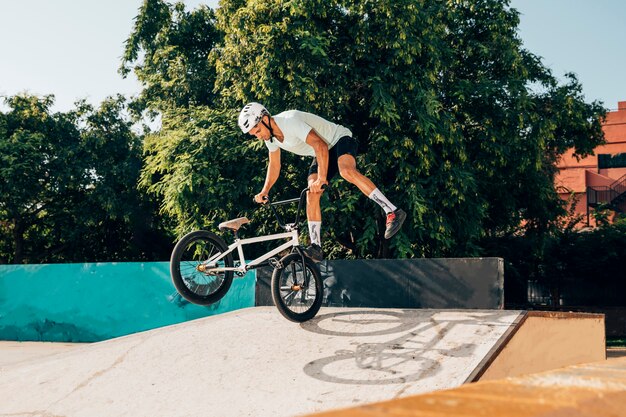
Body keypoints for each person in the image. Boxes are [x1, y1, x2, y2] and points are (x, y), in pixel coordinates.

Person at [238, 102, 406, 262]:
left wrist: (322, 178)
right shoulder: (270, 139)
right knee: (312, 194)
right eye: (255, 134)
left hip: (338, 139)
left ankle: (392, 210)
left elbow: (320, 145)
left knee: (346, 171)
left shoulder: (289, 121)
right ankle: (316, 247)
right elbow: (275, 165)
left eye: (257, 130)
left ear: (265, 119)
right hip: (320, 153)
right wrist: (265, 191)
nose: (258, 136)